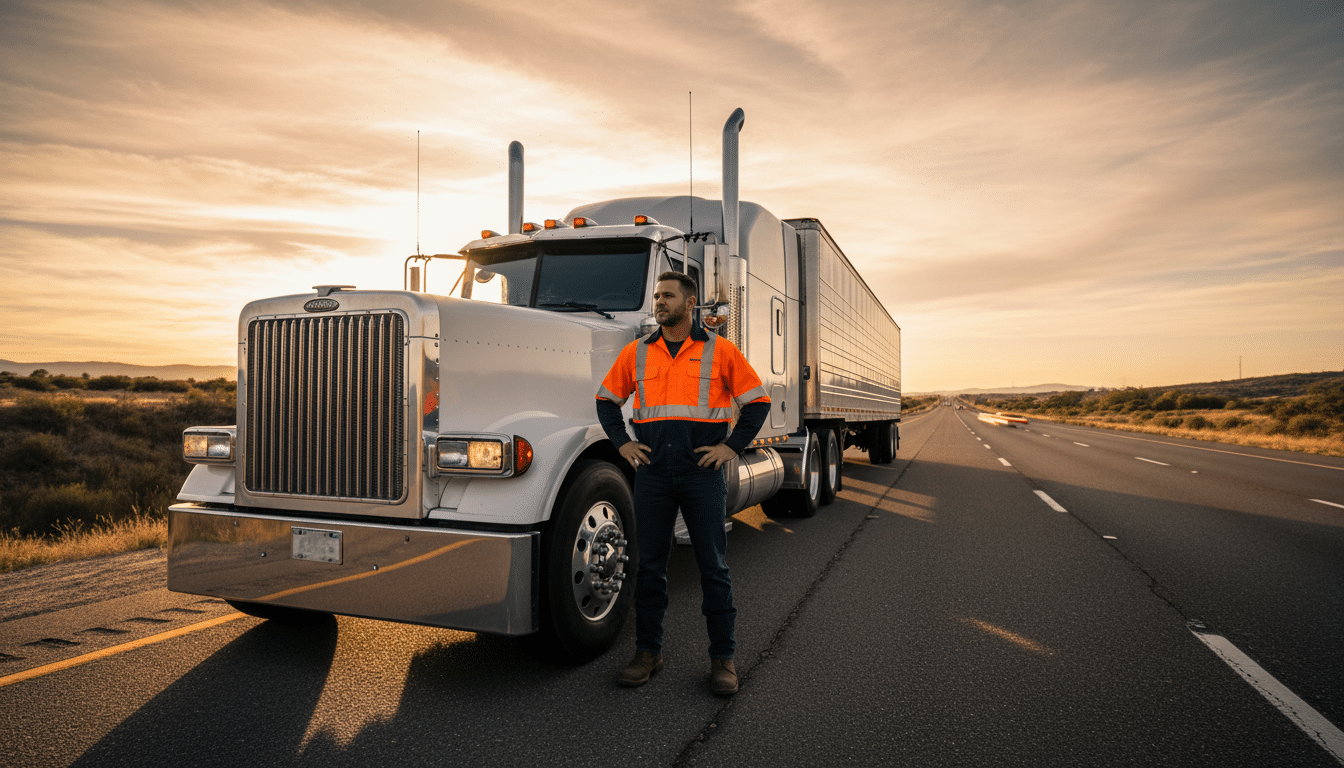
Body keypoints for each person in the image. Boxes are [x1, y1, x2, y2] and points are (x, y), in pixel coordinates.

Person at [595, 271, 770, 696]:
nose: (659, 302)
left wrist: (731, 448)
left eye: (668, 296)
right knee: (649, 565)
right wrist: (622, 444)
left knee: (714, 567)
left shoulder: (722, 351)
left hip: (702, 475)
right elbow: (606, 400)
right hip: (653, 475)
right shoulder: (636, 353)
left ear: (690, 304)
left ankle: (723, 658)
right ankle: (648, 653)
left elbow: (757, 402)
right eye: (656, 295)